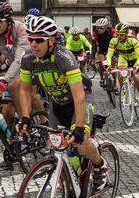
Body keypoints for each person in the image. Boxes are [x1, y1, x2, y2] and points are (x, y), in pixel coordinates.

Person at [16, 14, 107, 188]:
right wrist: (25, 117)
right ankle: (71, 181)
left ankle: (100, 166)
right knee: (56, 145)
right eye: (30, 39)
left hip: (80, 100)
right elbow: (24, 90)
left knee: (81, 144)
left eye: (39, 40)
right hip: (57, 103)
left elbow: (79, 96)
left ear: (51, 40)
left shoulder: (64, 57)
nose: (33, 44)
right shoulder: (27, 58)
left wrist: (79, 128)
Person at [105, 23, 139, 109]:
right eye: (117, 34)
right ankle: (123, 91)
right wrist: (109, 65)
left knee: (137, 78)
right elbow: (109, 55)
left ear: (126, 34)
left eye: (121, 35)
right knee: (121, 74)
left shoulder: (133, 40)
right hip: (123, 58)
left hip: (136, 59)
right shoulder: (113, 41)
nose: (119, 36)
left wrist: (138, 65)